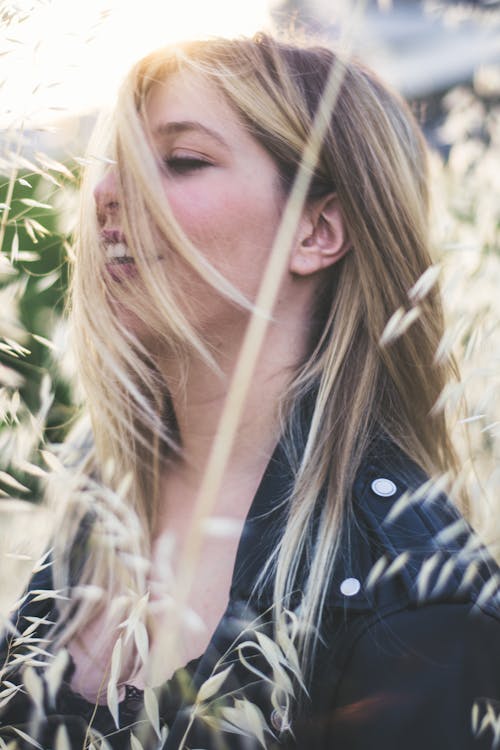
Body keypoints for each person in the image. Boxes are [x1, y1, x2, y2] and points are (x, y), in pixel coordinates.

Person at [0, 31, 499, 750]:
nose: (106, 194)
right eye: (117, 161)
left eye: (180, 160)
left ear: (318, 230)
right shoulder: (101, 479)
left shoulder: (415, 597)